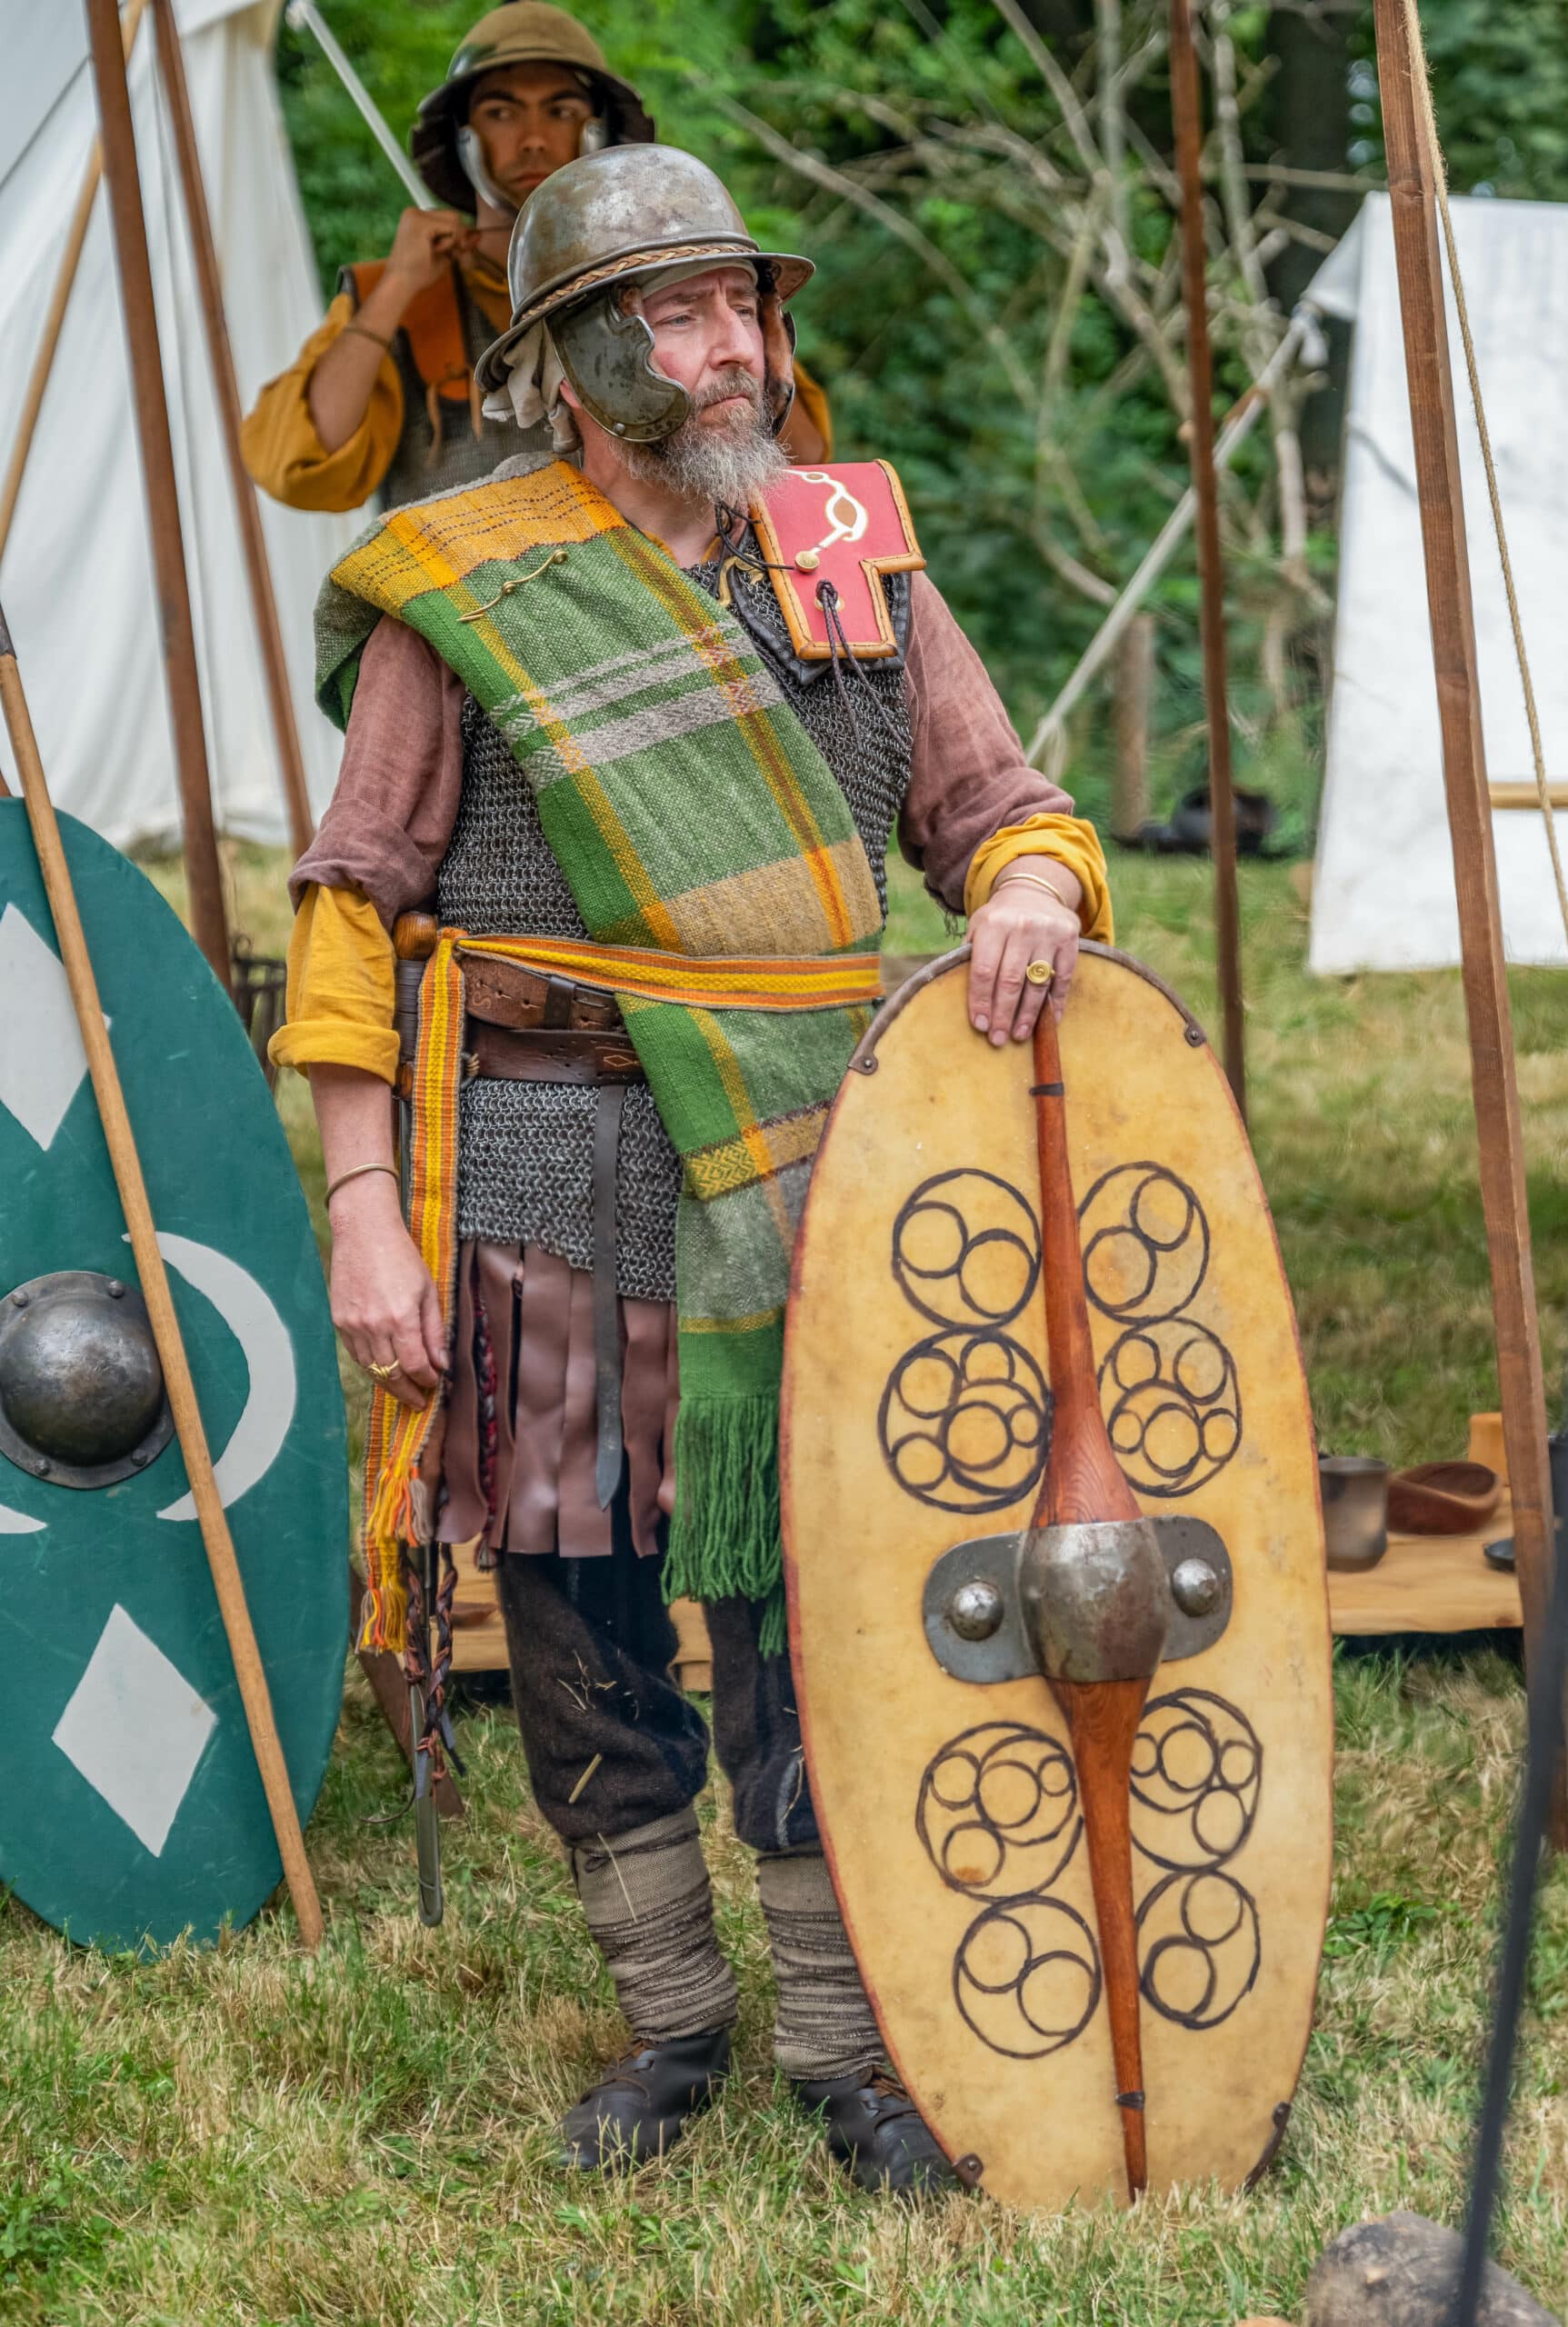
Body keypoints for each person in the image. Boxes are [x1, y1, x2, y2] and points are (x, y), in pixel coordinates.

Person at [271, 143, 1110, 2195]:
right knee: (578, 1610)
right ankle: (668, 2020)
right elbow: (355, 906)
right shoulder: (461, 581)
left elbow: (999, 802)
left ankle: (838, 2041)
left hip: (812, 1156)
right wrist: (363, 1210)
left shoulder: (845, 549)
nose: (731, 345)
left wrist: (1024, 883)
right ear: (573, 359)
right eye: (678, 313)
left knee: (816, 1603)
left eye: (744, 303)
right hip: (544, 1158)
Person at [241, 4, 830, 514]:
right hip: (459, 602)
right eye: (501, 113)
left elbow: (800, 461)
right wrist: (396, 289)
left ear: (598, 132)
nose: (532, 138)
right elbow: (296, 467)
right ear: (465, 139)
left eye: (560, 110)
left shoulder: (673, 280)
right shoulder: (398, 296)